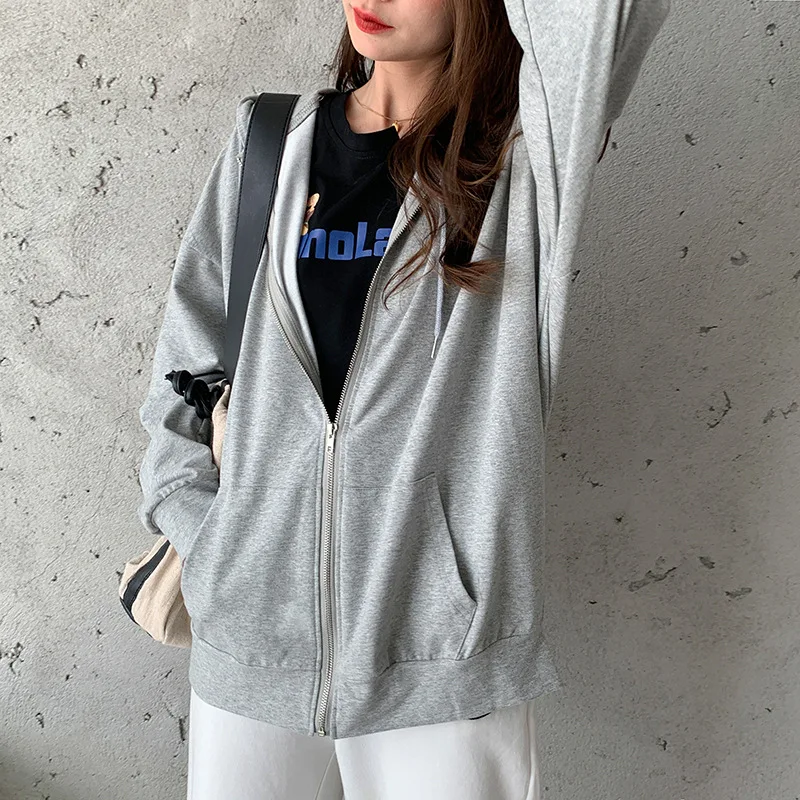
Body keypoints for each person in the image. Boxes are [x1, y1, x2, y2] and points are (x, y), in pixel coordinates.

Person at [135, 0, 670, 796]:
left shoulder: (525, 160)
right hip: (250, 641)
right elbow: (189, 357)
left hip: (439, 659)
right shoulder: (268, 142)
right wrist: (211, 540)